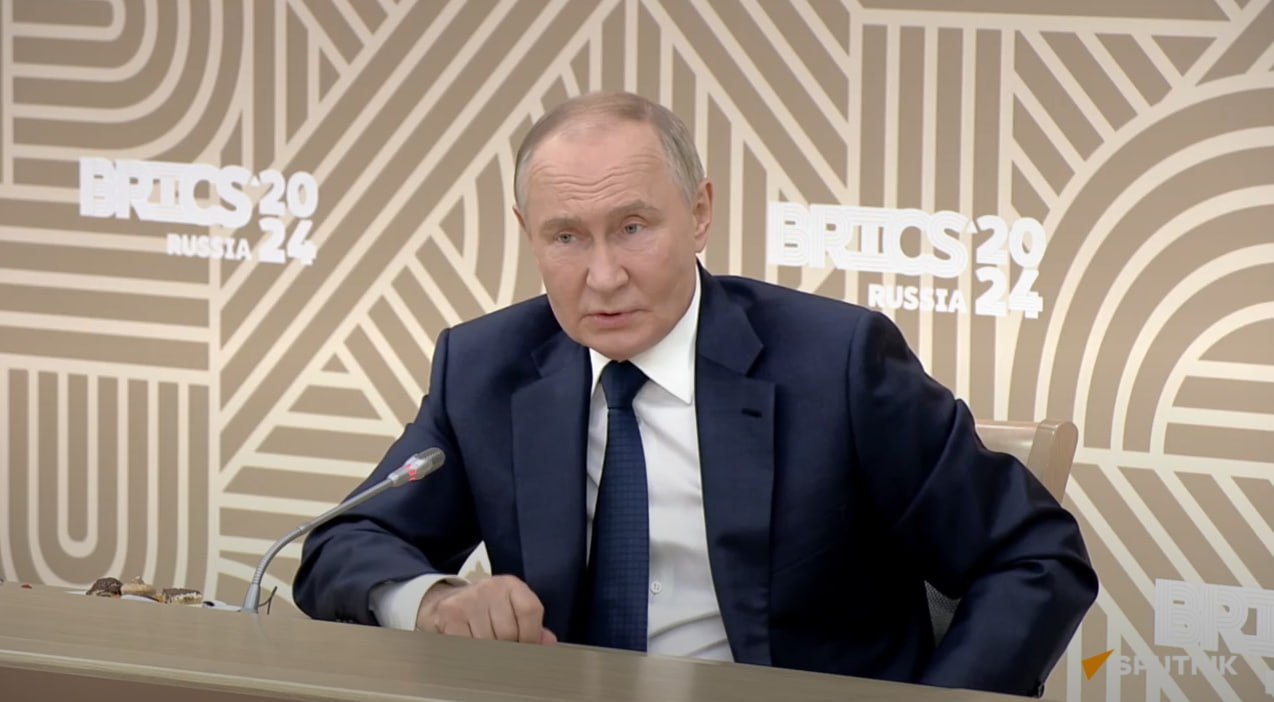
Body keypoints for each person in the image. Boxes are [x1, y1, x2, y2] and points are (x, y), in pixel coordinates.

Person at [293, 91, 1097, 697]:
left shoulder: (836, 364)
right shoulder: (485, 368)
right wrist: (433, 601)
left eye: (633, 227)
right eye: (566, 236)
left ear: (700, 213)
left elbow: (1034, 557)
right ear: (527, 231)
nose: (603, 275)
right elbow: (343, 545)